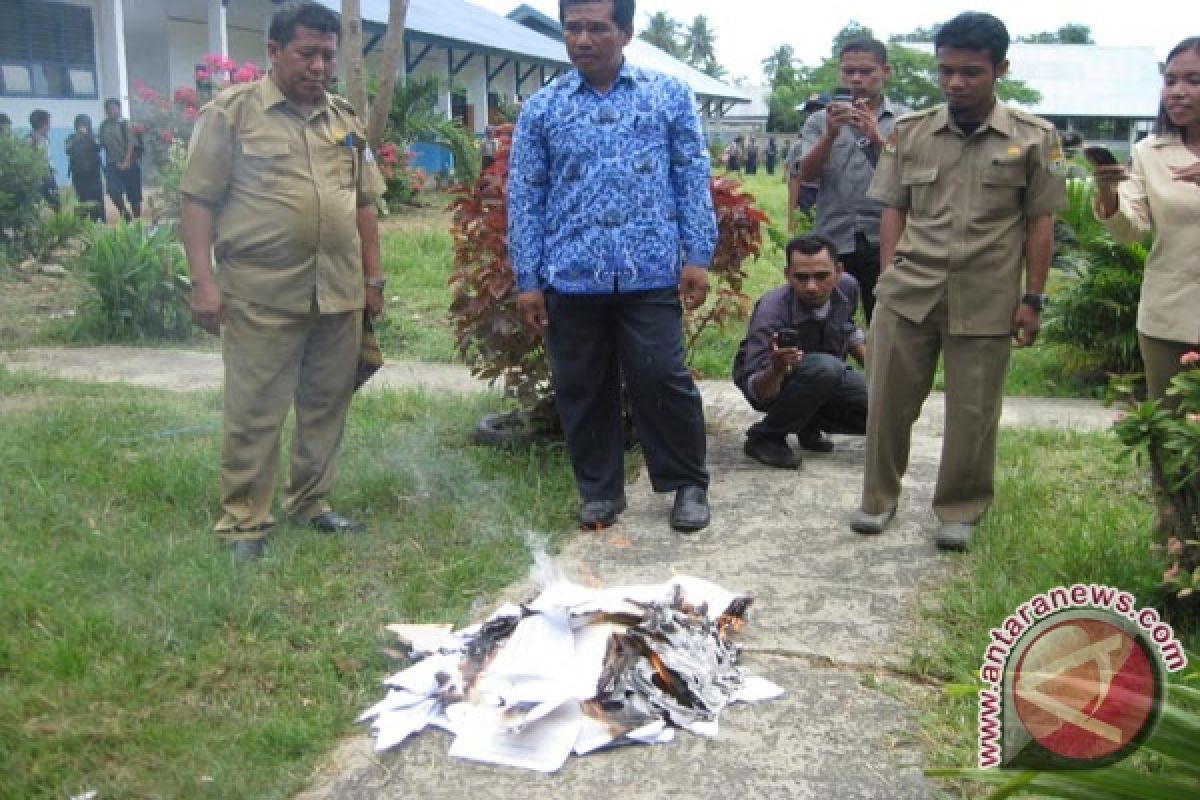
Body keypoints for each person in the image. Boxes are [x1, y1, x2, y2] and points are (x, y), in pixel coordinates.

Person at [851, 12, 1067, 551]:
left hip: (987, 295)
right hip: (908, 291)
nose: (955, 83)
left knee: (973, 412)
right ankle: (877, 499)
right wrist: (890, 272)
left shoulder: (1034, 139)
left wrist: (1032, 298)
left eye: (970, 72)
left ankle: (959, 508)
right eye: (946, 71)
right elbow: (893, 208)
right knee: (887, 403)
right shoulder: (911, 133)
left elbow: (1042, 221)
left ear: (1000, 68)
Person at [180, 1, 386, 562]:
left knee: (325, 406)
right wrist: (204, 283)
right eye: (306, 54)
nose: (319, 66)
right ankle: (245, 522)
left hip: (339, 292)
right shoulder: (232, 114)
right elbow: (197, 200)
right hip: (262, 293)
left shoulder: (345, 120)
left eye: (327, 55)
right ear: (273, 52)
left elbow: (365, 204)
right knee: (255, 409)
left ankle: (311, 504)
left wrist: (375, 279)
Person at [509, 0, 717, 533]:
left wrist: (698, 255)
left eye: (596, 29)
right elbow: (526, 196)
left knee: (663, 376)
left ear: (625, 32)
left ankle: (687, 484)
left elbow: (691, 176)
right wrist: (527, 279)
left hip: (648, 271)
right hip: (571, 273)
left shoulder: (667, 96)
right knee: (582, 384)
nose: (582, 40)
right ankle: (600, 492)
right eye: (572, 28)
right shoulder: (543, 108)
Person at [1093, 36, 1200, 410]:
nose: (1178, 92)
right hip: (1168, 317)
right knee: (1171, 437)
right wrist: (1108, 194)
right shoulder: (1148, 152)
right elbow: (1132, 230)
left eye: (1193, 80)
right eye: (1170, 81)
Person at [796, 38, 910, 323]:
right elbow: (805, 174)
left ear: (886, 71)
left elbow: (909, 177)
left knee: (885, 320)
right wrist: (830, 136)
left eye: (866, 71)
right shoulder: (819, 121)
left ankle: (878, 368)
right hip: (833, 236)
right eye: (849, 71)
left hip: (883, 238)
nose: (856, 78)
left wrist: (876, 138)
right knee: (827, 321)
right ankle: (831, 368)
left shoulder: (905, 121)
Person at [733, 233, 867, 469]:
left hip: (828, 376)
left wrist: (882, 376)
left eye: (822, 276)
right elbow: (757, 391)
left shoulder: (848, 287)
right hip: (775, 383)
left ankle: (807, 423)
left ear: (838, 271)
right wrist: (776, 369)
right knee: (826, 368)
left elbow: (848, 329)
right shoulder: (771, 311)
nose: (812, 287)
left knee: (887, 411)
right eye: (801, 278)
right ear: (787, 275)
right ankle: (765, 437)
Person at [98, 98, 143, 221]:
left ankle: (138, 222)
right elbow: (101, 144)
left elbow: (131, 144)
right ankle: (125, 215)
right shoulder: (104, 126)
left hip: (130, 164)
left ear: (119, 109)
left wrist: (127, 162)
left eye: (113, 108)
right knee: (113, 192)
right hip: (113, 165)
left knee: (134, 197)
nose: (110, 111)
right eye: (108, 109)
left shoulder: (125, 124)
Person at [65, 114, 106, 222]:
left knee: (97, 198)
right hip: (78, 174)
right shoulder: (71, 138)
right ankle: (81, 222)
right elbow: (67, 150)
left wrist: (88, 136)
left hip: (94, 174)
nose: (82, 126)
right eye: (80, 124)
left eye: (85, 124)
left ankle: (99, 220)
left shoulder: (94, 136)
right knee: (80, 198)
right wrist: (77, 138)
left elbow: (99, 147)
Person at [26, 109, 60, 210]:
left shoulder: (45, 138)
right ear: (43, 124)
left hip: (48, 174)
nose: (50, 126)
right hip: (38, 176)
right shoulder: (30, 139)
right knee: (36, 204)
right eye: (48, 122)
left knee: (56, 202)